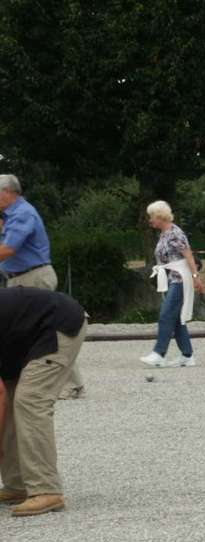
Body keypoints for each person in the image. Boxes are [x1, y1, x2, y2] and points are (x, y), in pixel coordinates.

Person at [0, 287, 87, 516]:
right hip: (21, 340)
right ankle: (17, 485)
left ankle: (46, 490)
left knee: (30, 399)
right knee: (12, 401)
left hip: (57, 324)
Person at [0, 174, 86, 400]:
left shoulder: (22, 213)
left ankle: (73, 385)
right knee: (37, 333)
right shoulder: (11, 215)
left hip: (33, 277)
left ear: (8, 192)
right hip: (19, 277)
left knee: (53, 332)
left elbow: (9, 248)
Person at [140, 200, 204, 368]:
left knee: (166, 315)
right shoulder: (164, 233)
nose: (150, 220)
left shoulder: (175, 233)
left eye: (152, 216)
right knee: (176, 319)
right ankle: (187, 355)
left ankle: (159, 353)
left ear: (160, 216)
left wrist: (196, 276)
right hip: (171, 279)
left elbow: (188, 256)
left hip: (180, 280)